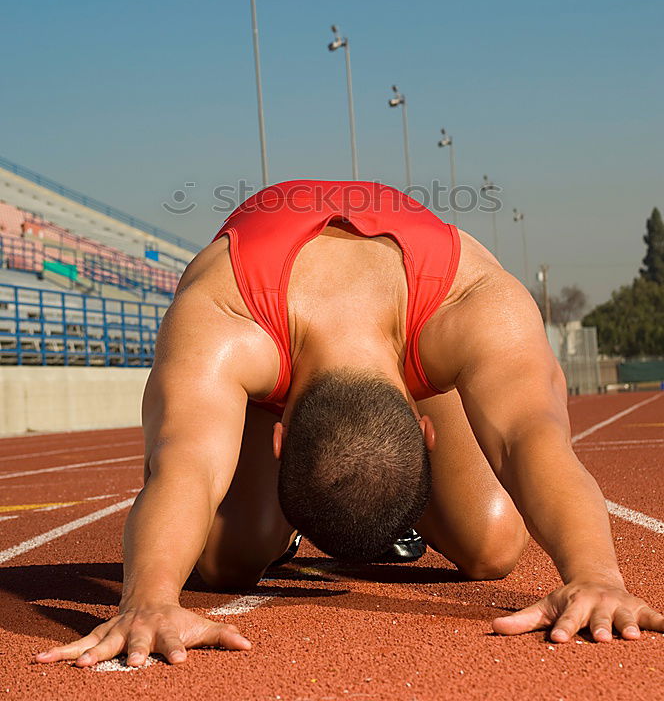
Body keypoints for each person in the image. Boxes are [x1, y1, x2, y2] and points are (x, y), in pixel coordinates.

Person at [36, 180, 664, 668]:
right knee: (228, 562)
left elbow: (532, 437)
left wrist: (596, 576)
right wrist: (149, 598)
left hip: (399, 311)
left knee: (493, 546)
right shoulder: (221, 322)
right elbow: (185, 466)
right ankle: (286, 530)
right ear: (277, 434)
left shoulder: (475, 306)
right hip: (277, 309)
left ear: (424, 424)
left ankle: (364, 506)